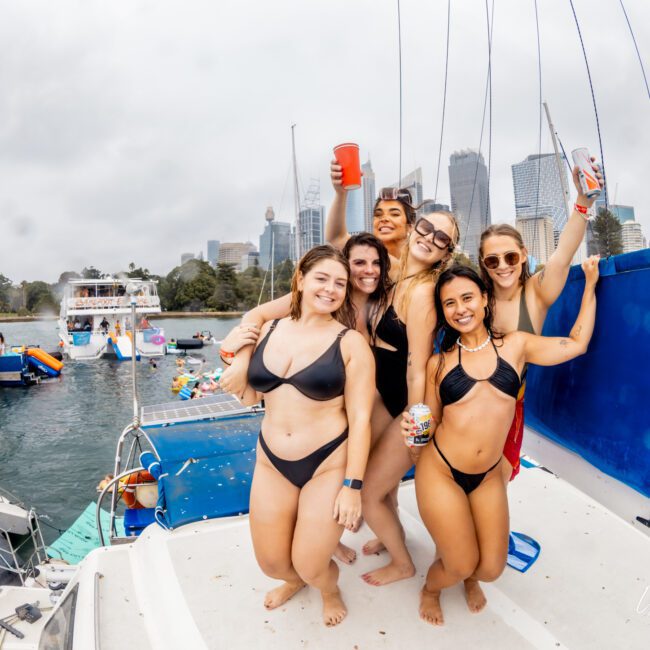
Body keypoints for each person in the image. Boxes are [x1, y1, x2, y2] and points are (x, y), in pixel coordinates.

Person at [400, 260, 599, 626]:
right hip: (441, 470)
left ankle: (470, 577)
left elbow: (576, 344)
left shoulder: (517, 346)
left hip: (488, 474)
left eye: (467, 298)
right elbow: (429, 417)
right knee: (458, 564)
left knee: (490, 568)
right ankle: (431, 588)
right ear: (443, 313)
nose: (461, 309)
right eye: (450, 303)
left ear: (485, 300)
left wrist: (589, 286)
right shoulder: (438, 364)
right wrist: (415, 430)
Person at [222, 245, 375, 627]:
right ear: (301, 280)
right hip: (272, 459)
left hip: (326, 462)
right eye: (322, 278)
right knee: (272, 563)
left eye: (340, 283)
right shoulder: (268, 330)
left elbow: (361, 419)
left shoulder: (350, 342)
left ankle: (327, 587)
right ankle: (296, 581)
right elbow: (250, 397)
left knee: (311, 564)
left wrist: (352, 487)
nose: (330, 289)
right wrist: (239, 365)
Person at [478, 158, 604, 485]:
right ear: (483, 263)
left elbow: (562, 254)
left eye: (510, 257)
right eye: (493, 260)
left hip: (509, 403)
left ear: (523, 254)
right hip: (467, 401)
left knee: (498, 479)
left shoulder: (535, 292)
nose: (503, 266)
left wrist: (583, 202)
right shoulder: (472, 297)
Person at [359, 208, 459, 587]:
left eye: (441, 238)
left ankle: (403, 563)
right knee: (382, 488)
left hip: (408, 403)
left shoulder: (421, 293)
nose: (430, 238)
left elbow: (417, 365)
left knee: (368, 494)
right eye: (426, 228)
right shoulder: (395, 274)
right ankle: (392, 536)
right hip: (385, 397)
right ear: (414, 227)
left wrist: (416, 426)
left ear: (446, 254)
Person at [325, 159, 416, 265]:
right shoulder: (365, 253)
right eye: (378, 214)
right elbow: (336, 237)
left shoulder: (422, 262)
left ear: (410, 226)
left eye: (395, 214)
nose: (384, 219)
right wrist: (341, 193)